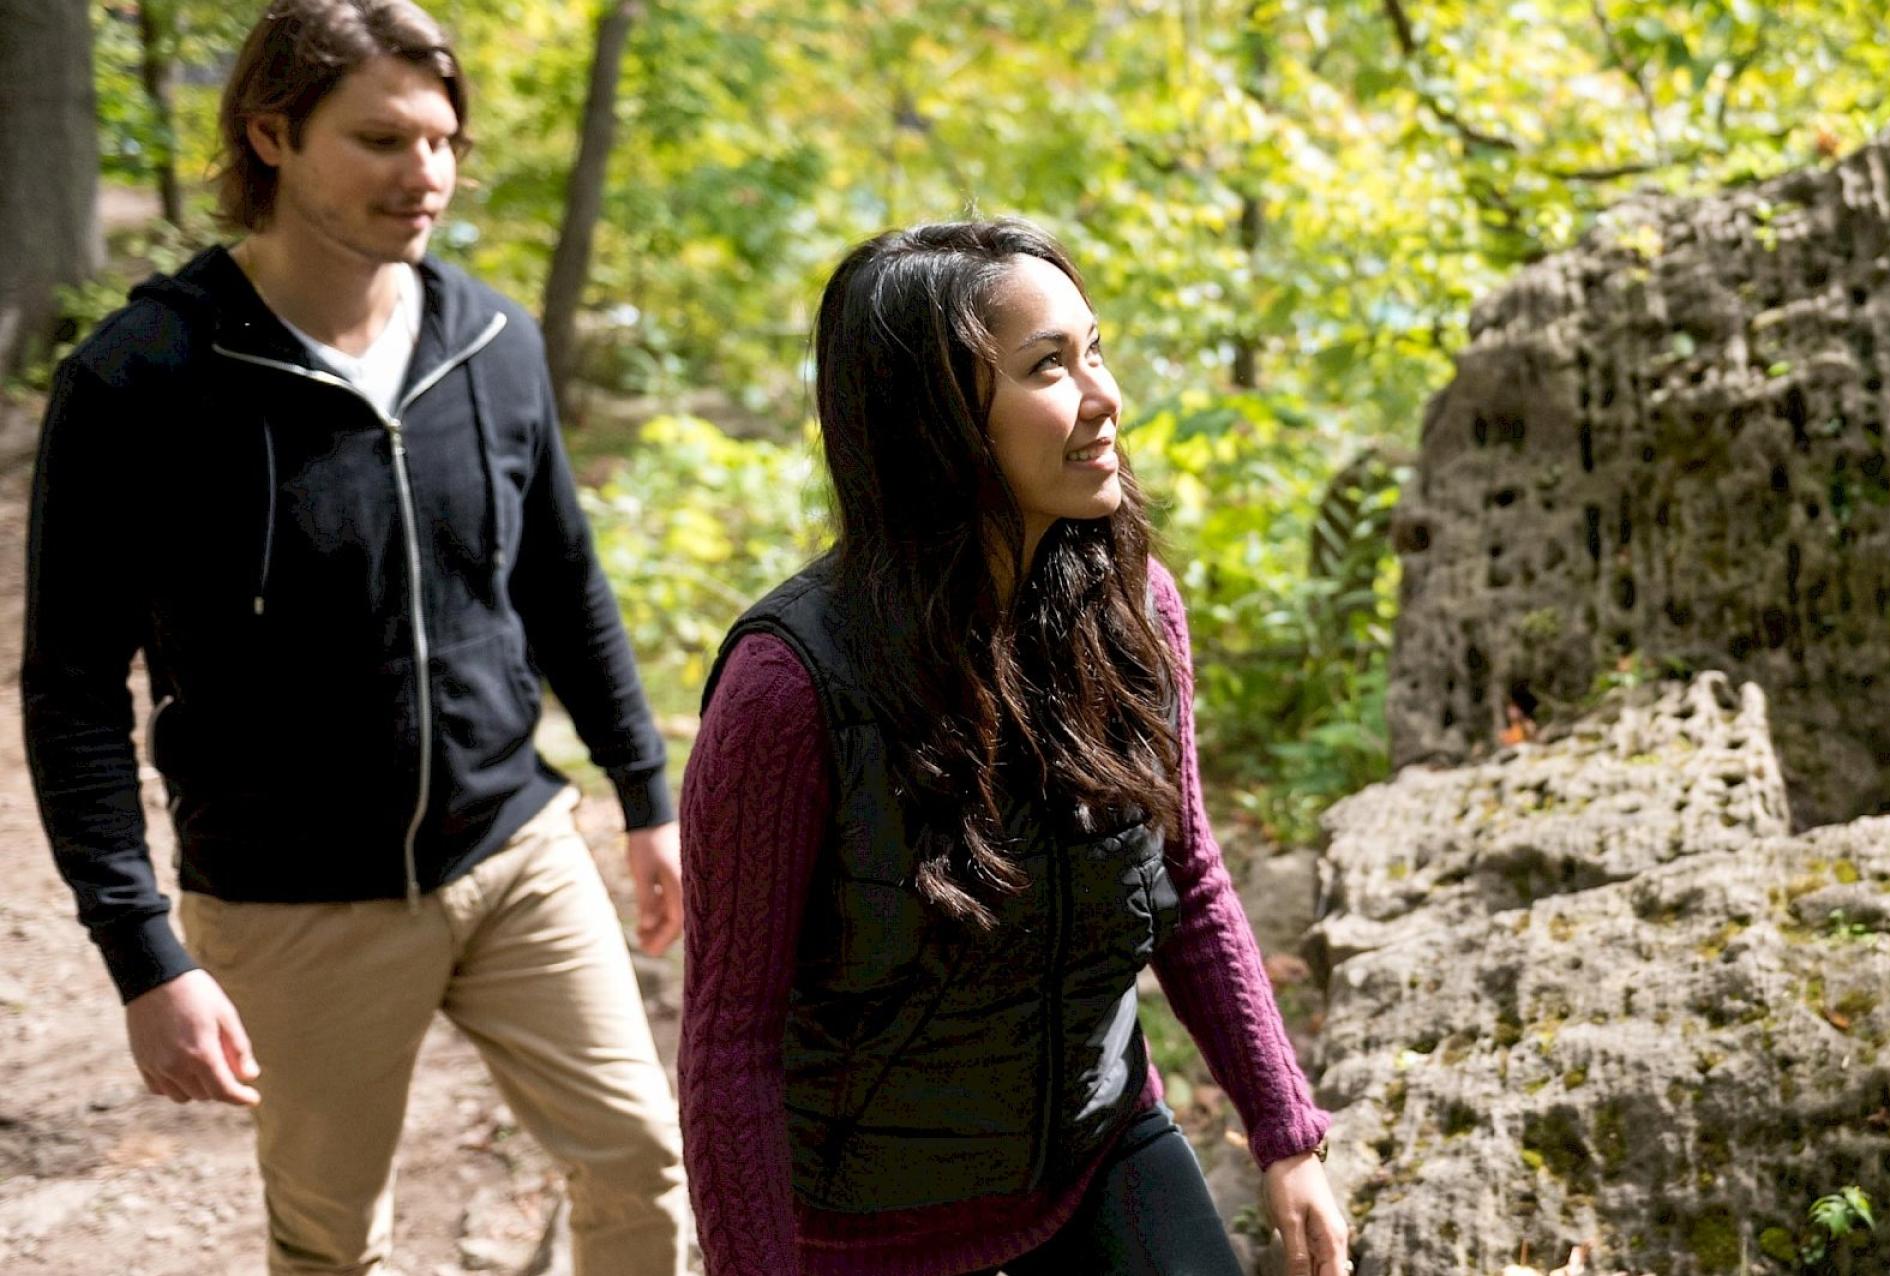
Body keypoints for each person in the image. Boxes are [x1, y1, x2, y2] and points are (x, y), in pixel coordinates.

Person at [20, 2, 691, 1271]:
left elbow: (564, 582)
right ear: (271, 134)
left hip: (516, 853)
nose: (425, 173)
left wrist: (645, 797)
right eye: (382, 139)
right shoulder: (141, 378)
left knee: (642, 1162)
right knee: (331, 1242)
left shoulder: (493, 340)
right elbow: (70, 688)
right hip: (293, 903)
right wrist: (141, 950)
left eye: (442, 141)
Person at [680, 219, 1352, 1275]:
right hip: (871, 1226)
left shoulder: (1133, 610)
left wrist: (1286, 1130)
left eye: (1096, 350)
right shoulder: (789, 687)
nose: (1103, 394)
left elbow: (1187, 878)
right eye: (1049, 366)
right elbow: (731, 1047)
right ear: (935, 418)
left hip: (1101, 1151)